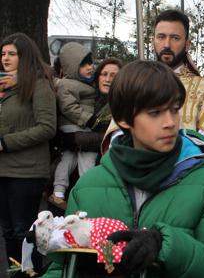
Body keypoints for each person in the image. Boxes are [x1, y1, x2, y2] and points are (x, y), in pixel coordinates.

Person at [42, 61, 204, 278]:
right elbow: (62, 267)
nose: (170, 122)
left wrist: (167, 246)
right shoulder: (87, 187)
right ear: (123, 119)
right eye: (155, 112)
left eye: (175, 109)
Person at [104, 9, 204, 168]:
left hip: (186, 179)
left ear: (187, 44)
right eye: (161, 37)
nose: (167, 44)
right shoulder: (135, 84)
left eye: (175, 38)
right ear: (153, 40)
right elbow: (117, 137)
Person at [0, 33, 56, 270]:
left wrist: (6, 142)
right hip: (3, 170)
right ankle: (16, 273)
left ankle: (30, 272)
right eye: (3, 53)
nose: (5, 58)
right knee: (8, 232)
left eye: (12, 54)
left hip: (27, 171)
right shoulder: (3, 88)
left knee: (24, 232)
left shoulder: (38, 84)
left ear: (25, 57)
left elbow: (47, 127)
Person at [49, 43, 98, 209]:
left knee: (68, 159)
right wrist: (88, 119)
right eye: (83, 64)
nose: (89, 67)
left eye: (90, 63)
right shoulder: (66, 84)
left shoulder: (82, 84)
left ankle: (58, 192)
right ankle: (87, 194)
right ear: (72, 66)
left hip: (75, 128)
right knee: (88, 158)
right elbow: (68, 107)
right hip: (78, 127)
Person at [60, 58, 123, 165]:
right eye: (104, 74)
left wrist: (75, 139)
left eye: (113, 76)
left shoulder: (123, 104)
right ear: (97, 77)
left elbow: (114, 138)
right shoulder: (86, 99)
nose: (107, 79)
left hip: (105, 164)